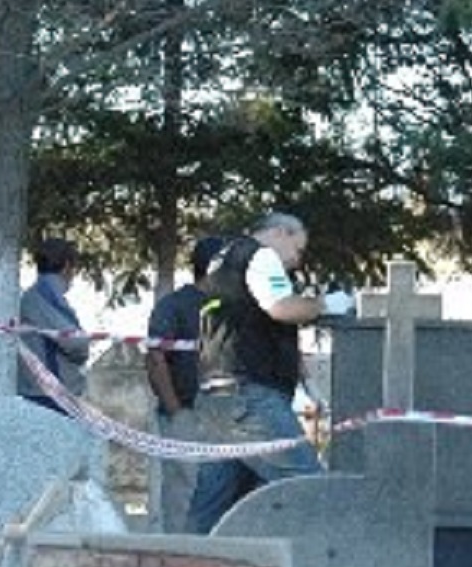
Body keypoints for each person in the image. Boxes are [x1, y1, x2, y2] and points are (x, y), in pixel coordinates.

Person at [186, 212, 353, 534]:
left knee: (213, 507)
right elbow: (281, 307)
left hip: (217, 398)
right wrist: (327, 304)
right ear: (280, 232)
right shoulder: (259, 256)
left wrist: (302, 380)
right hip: (250, 397)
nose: (295, 262)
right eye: (298, 250)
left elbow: (249, 323)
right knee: (308, 487)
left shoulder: (223, 260)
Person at [145, 235, 222, 532]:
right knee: (183, 493)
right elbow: (155, 358)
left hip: (226, 418)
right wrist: (176, 411)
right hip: (187, 414)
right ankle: (179, 558)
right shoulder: (174, 306)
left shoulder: (233, 307)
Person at [17, 237, 91, 412]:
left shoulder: (39, 293)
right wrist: (83, 349)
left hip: (44, 391)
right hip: (50, 394)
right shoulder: (45, 294)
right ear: (66, 266)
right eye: (74, 269)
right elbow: (75, 342)